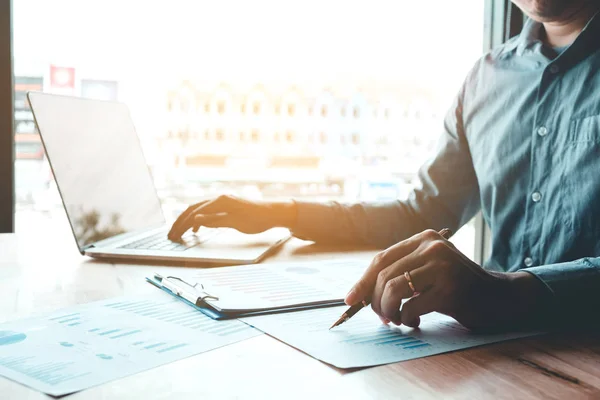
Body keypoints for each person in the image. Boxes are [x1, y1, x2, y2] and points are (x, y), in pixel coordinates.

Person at [169, 0, 600, 331]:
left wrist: (508, 292)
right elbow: (423, 215)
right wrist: (284, 213)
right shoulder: (486, 77)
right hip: (489, 350)